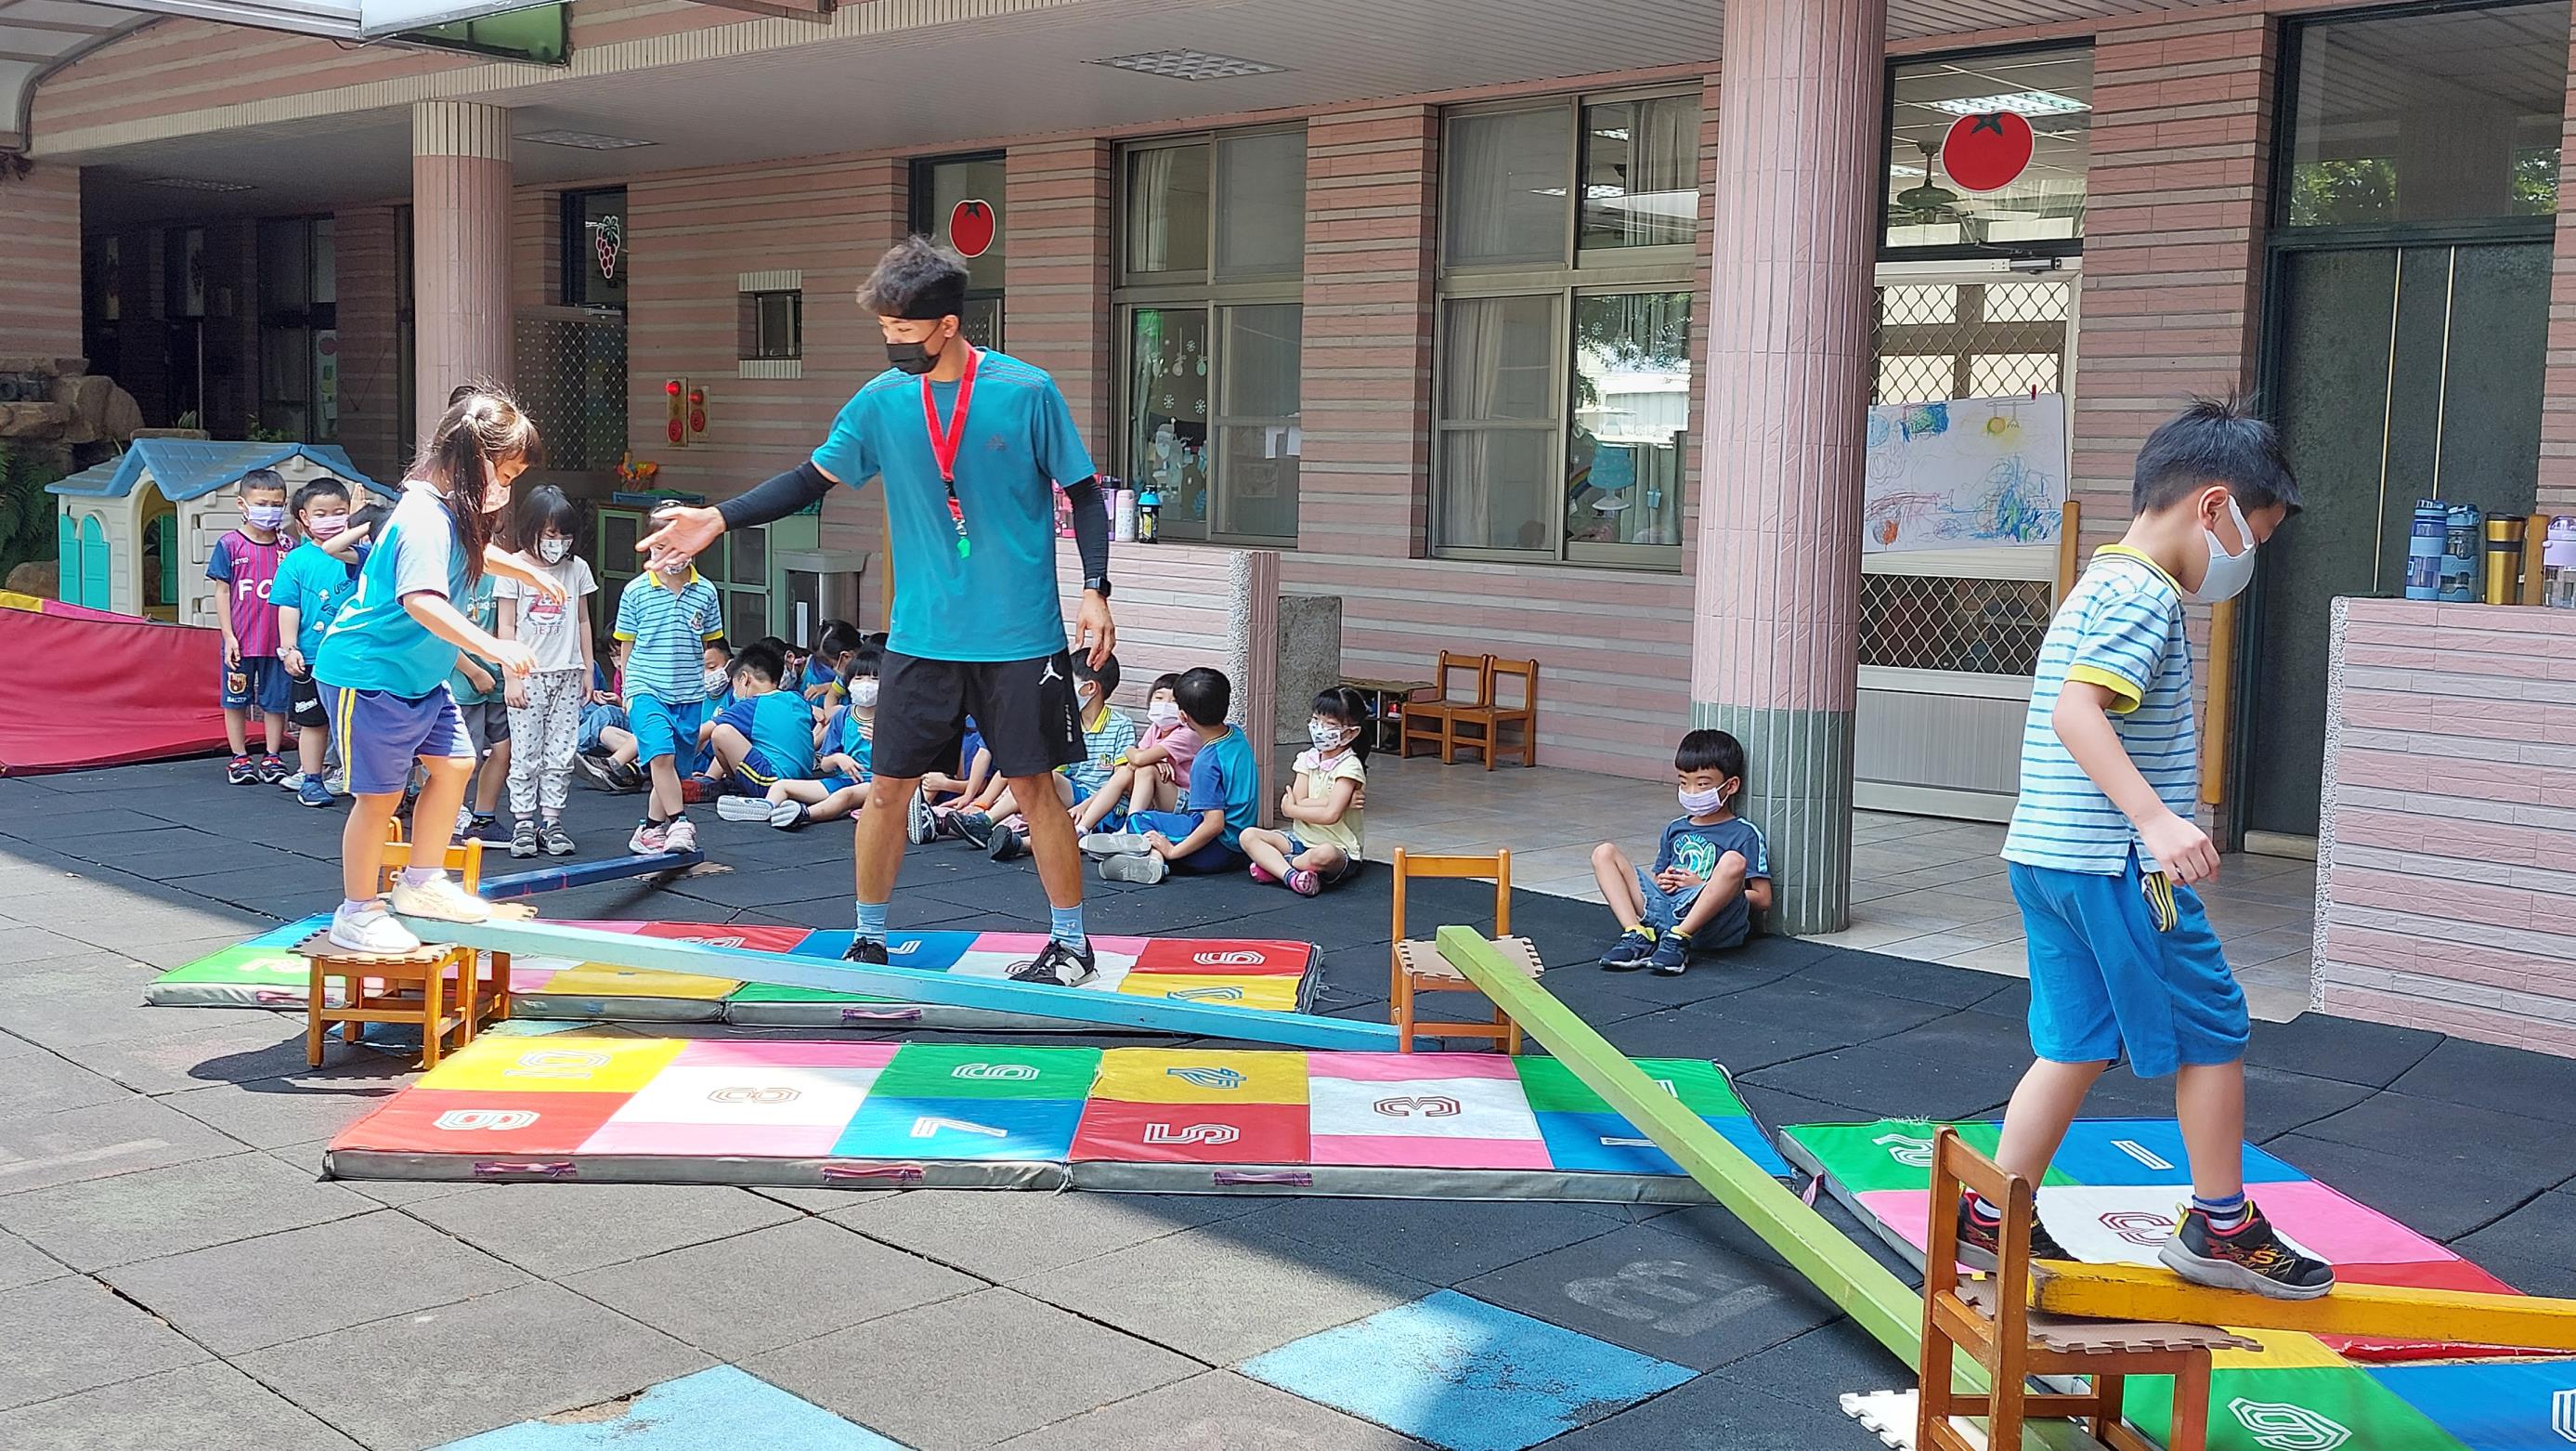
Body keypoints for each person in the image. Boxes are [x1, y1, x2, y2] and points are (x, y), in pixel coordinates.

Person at [636, 236, 1117, 986]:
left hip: (1019, 636)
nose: (892, 343)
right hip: (922, 637)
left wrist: (1095, 587)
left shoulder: (1026, 392)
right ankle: (868, 938)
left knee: (1033, 788)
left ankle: (1070, 944)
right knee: (888, 787)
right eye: (885, 328)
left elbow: (1084, 494)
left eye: (904, 330)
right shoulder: (882, 400)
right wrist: (719, 519)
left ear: (948, 325)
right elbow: (809, 479)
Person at [1977, 399, 2326, 1301]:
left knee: (2076, 1040)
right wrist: (2155, 820)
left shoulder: (2099, 580)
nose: (2247, 558)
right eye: (2254, 536)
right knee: (2213, 1026)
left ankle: (1994, 1212)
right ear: (2213, 507)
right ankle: (2221, 1225)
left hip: (2047, 854)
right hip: (2113, 864)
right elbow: (2077, 710)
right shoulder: (2143, 596)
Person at [311, 388, 561, 954]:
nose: (507, 487)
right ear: (474, 460)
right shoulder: (423, 516)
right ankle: (356, 911)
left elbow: (472, 552)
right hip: (368, 674)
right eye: (506, 473)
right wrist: (493, 646)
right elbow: (421, 599)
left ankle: (422, 882)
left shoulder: (445, 510)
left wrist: (525, 572)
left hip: (417, 676)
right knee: (378, 797)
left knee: (455, 764)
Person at [1591, 729, 1773, 974]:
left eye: (1702, 784)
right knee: (1604, 853)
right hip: (1666, 912)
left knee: (1733, 861)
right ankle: (1636, 934)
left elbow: (1763, 899)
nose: (1691, 792)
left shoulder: (1744, 833)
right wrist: (1664, 881)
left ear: (1730, 786)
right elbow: (1659, 877)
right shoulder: (1675, 828)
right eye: (1684, 783)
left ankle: (1680, 938)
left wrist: (1705, 887)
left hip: (1709, 923)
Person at [496, 485, 603, 857]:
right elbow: (505, 626)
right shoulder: (512, 568)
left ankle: (552, 821)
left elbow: (583, 620)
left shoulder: (577, 569)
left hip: (567, 673)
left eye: (564, 535)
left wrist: (588, 669)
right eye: (550, 535)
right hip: (528, 675)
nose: (558, 543)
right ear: (531, 530)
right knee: (526, 752)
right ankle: (524, 822)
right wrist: (511, 676)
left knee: (561, 751)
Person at [1081, 666, 1256, 884]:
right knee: (1154, 826)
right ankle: (1151, 858)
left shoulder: (1206, 761)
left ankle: (1155, 857)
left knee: (1139, 820)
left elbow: (1214, 824)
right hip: (1239, 842)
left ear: (1182, 716)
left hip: (1217, 849)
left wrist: (1173, 851)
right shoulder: (1236, 735)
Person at [612, 555, 726, 856]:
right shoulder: (636, 590)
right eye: (662, 546)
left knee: (673, 768)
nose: (671, 554)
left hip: (688, 693)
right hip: (646, 687)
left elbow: (706, 643)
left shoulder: (706, 591)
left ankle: (650, 828)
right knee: (661, 754)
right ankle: (679, 822)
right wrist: (628, 690)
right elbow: (627, 643)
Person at [974, 653, 1137, 862]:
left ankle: (1019, 844)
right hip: (1076, 794)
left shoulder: (1121, 725)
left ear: (1090, 688)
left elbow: (1121, 782)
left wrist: (1085, 806)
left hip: (1106, 806)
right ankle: (985, 821)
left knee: (1069, 823)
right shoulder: (1068, 723)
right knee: (1039, 776)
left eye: (1067, 682)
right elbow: (1057, 773)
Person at [274, 478, 362, 807]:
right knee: (313, 721)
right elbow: (288, 606)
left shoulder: (360, 555)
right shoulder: (296, 561)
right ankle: (311, 779)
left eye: (339, 512)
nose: (331, 519)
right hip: (311, 656)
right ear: (304, 517)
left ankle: (357, 778)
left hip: (355, 655)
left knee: (356, 721)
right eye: (321, 513)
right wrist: (289, 648)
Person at [1240, 685, 1372, 896]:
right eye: (1316, 720)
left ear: (1351, 733)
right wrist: (1331, 802)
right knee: (1248, 835)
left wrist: (1292, 810)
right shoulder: (1307, 758)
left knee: (1324, 854)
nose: (1319, 728)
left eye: (1330, 724)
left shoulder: (1349, 766)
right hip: (1299, 839)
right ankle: (1292, 876)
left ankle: (1276, 866)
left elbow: (1329, 815)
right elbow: (1300, 798)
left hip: (1339, 848)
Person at [210, 467, 294, 784]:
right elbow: (222, 591)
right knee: (235, 699)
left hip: (278, 642)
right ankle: (239, 757)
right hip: (241, 641)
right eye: (261, 504)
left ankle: (272, 756)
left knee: (275, 701)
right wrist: (228, 636)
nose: (269, 511)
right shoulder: (229, 545)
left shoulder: (289, 547)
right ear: (242, 504)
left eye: (276, 505)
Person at [768, 642, 879, 830]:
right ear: (848, 683)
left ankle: (803, 814)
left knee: (844, 796)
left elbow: (904, 762)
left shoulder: (892, 720)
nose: (866, 684)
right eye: (859, 678)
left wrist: (880, 743)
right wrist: (838, 758)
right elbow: (826, 764)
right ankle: (766, 809)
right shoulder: (843, 716)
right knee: (782, 786)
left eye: (875, 678)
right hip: (842, 780)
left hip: (876, 783)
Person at [706, 641, 820, 810]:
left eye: (735, 686)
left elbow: (703, 733)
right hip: (802, 785)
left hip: (770, 782)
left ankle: (734, 784)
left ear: (744, 679)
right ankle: (713, 780)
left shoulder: (750, 706)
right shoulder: (797, 699)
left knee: (721, 732)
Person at [1075, 672, 1194, 834]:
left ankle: (1129, 828)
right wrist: (1150, 760)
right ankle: (1082, 828)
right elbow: (1133, 762)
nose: (1165, 705)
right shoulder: (1155, 729)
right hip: (1156, 796)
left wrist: (1136, 754)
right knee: (1126, 771)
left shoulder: (1187, 733)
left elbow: (1138, 758)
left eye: (1174, 701)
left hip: (1183, 801)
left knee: (1146, 769)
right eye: (1159, 698)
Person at [447, 560, 513, 843]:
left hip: (498, 676)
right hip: (462, 679)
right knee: (462, 758)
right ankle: (448, 814)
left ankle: (483, 818)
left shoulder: (500, 575)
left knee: (503, 749)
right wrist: (473, 672)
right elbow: (438, 634)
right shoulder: (447, 575)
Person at [803, 619, 862, 704]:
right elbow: (835, 692)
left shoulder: (874, 666)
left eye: (831, 666)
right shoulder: (844, 674)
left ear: (846, 656)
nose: (833, 670)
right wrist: (829, 687)